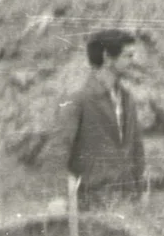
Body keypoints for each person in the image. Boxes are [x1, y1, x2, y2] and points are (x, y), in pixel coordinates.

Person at [52, 29, 145, 210]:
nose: (133, 62)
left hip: (127, 201)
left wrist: (139, 191)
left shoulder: (127, 98)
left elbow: (136, 148)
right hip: (91, 202)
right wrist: (58, 196)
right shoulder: (79, 98)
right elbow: (58, 148)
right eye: (128, 56)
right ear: (107, 57)